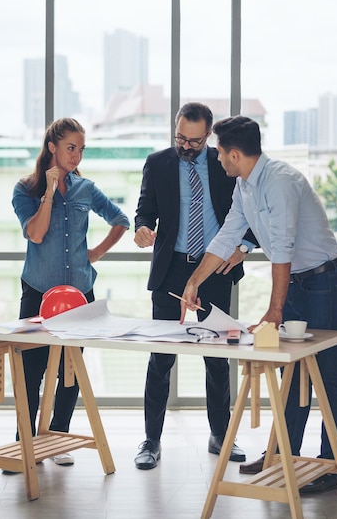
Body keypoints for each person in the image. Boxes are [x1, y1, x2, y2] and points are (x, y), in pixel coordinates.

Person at [181, 115, 337, 495]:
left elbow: (283, 249)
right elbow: (228, 236)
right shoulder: (245, 186)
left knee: (327, 374)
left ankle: (331, 465)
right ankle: (281, 455)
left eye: (220, 152)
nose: (218, 159)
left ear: (236, 153)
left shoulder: (279, 182)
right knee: (289, 373)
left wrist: (275, 310)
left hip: (324, 282)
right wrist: (194, 281)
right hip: (296, 283)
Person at [133, 102, 257, 470]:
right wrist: (141, 227)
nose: (186, 147)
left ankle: (220, 435)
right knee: (161, 358)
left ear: (209, 135)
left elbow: (250, 212)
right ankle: (151, 440)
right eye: (180, 139)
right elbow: (144, 210)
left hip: (215, 271)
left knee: (217, 359)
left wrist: (245, 245)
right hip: (171, 271)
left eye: (195, 141)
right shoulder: (157, 163)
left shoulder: (226, 165)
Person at [12, 117, 129, 467]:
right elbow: (36, 233)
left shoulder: (86, 189)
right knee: (30, 373)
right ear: (52, 147)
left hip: (79, 296)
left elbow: (120, 219)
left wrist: (94, 254)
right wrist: (48, 192)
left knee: (69, 372)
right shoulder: (25, 189)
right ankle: (26, 443)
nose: (77, 155)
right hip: (38, 292)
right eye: (70, 148)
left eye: (81, 149)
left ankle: (58, 437)